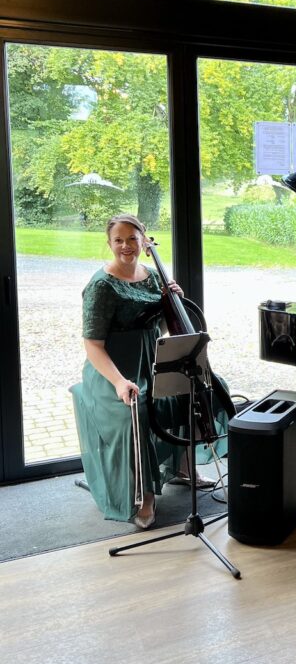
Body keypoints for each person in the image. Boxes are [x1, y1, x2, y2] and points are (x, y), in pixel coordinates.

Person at [71, 214, 224, 529]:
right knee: (136, 410)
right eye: (119, 240)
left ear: (144, 240)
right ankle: (146, 495)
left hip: (154, 361)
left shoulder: (154, 276)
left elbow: (168, 329)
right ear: (110, 243)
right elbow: (93, 346)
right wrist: (118, 382)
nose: (126, 246)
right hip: (113, 370)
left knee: (206, 387)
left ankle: (184, 467)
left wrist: (174, 304)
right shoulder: (101, 286)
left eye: (132, 238)